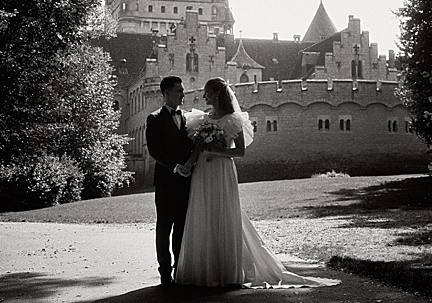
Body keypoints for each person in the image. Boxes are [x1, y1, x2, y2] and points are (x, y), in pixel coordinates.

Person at [174, 77, 340, 289]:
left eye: (207, 92)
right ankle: (204, 270)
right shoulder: (200, 119)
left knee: (223, 213)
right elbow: (196, 149)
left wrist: (216, 150)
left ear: (216, 94)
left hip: (222, 171)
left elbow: (240, 151)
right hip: (203, 173)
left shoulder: (234, 119)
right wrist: (187, 165)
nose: (203, 96)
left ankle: (225, 271)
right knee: (203, 213)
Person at [145, 75, 194, 286]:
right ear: (166, 94)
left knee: (182, 226)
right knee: (164, 226)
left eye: (183, 90)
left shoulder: (188, 118)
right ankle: (164, 270)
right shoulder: (154, 119)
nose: (183, 94)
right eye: (178, 91)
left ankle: (178, 269)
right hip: (166, 181)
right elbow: (155, 150)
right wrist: (175, 166)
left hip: (186, 181)